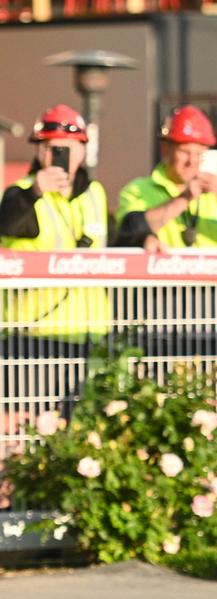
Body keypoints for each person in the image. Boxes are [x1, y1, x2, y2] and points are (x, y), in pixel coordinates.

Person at [0, 104, 111, 414]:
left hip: (90, 334)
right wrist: (36, 190)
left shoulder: (95, 193)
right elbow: (6, 222)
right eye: (50, 148)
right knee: (29, 427)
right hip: (35, 335)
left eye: (67, 149)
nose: (58, 156)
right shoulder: (20, 192)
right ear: (38, 151)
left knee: (81, 428)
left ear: (82, 151)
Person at [116, 105, 217, 250]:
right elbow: (129, 232)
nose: (192, 162)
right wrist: (184, 199)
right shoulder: (138, 189)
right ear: (165, 149)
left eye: (199, 154)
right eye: (184, 152)